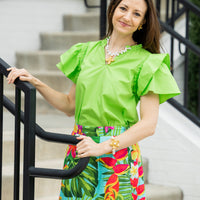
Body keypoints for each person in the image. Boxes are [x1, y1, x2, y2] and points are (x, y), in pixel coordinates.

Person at [7, 0, 181, 199]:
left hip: (118, 155)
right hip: (80, 148)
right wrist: (35, 82)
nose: (126, 17)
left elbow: (149, 125)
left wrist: (103, 146)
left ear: (142, 22)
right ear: (112, 9)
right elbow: (69, 106)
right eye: (123, 8)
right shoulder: (86, 52)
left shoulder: (148, 62)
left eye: (136, 14)